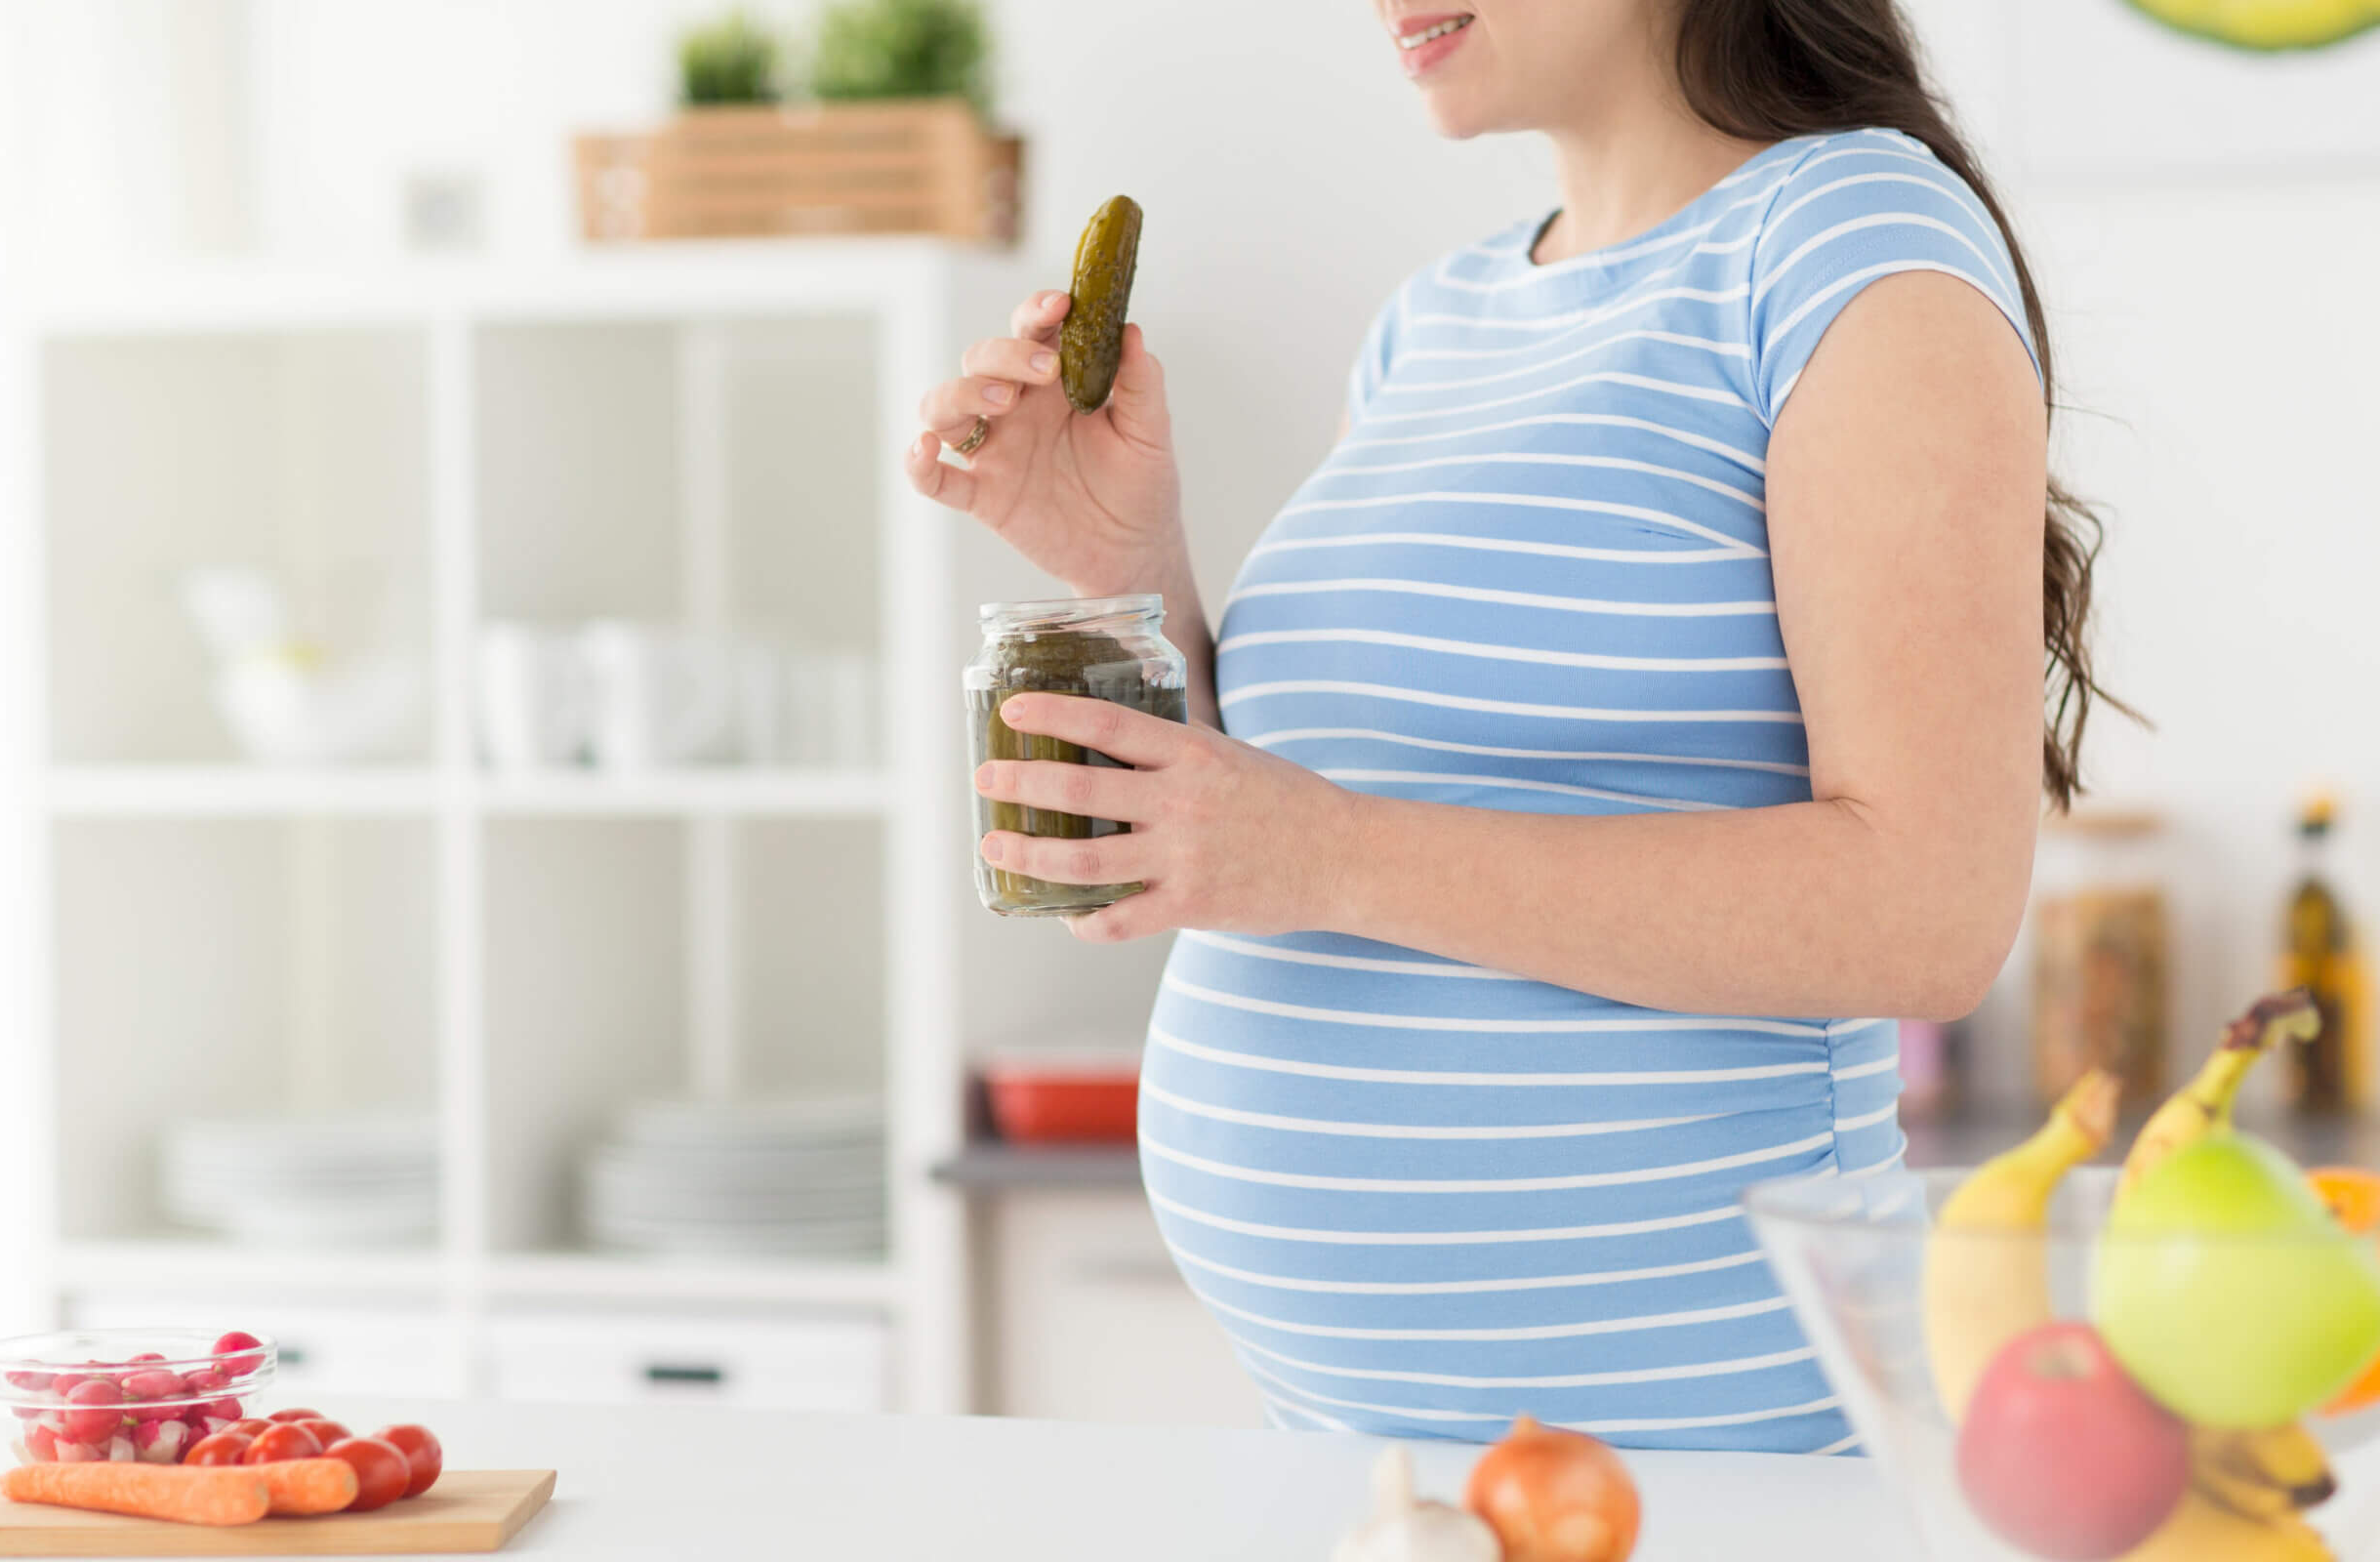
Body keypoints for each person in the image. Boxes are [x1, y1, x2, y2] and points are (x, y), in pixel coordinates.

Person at [904, 0, 2111, 1451]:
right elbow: (1291, 818)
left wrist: (1329, 856)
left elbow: (1931, 911)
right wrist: (1124, 559)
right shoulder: (1442, 318)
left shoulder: (1851, 249)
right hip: (1376, 1461)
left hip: (1710, 1465)